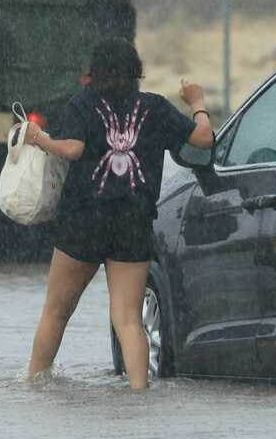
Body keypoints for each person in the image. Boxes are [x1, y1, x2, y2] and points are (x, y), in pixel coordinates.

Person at [23, 37, 214, 390]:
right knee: (128, 319)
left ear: (93, 74)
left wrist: (40, 139)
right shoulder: (155, 108)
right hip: (133, 221)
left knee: (56, 313)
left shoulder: (83, 104)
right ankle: (139, 393)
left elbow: (73, 148)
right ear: (135, 73)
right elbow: (204, 140)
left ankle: (33, 386)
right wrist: (198, 102)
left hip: (83, 220)